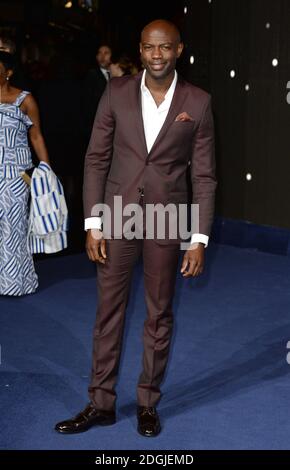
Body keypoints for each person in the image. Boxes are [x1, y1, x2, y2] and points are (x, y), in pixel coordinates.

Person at [55, 19, 216, 437]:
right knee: (108, 311)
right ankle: (100, 403)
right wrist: (93, 222)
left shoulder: (197, 102)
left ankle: (148, 402)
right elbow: (95, 159)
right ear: (140, 50)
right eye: (149, 47)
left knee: (159, 314)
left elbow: (203, 176)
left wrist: (197, 238)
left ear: (179, 49)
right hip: (117, 216)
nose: (157, 54)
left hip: (167, 219)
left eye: (165, 47)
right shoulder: (116, 92)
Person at [0, 49, 51, 295]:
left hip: (15, 174)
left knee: (13, 227)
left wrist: (46, 169)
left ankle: (14, 283)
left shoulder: (25, 100)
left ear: (8, 73)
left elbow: (36, 136)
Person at [82, 44, 112, 146]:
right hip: (98, 126)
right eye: (100, 53)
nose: (102, 57)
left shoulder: (117, 74)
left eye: (106, 53)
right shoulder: (92, 75)